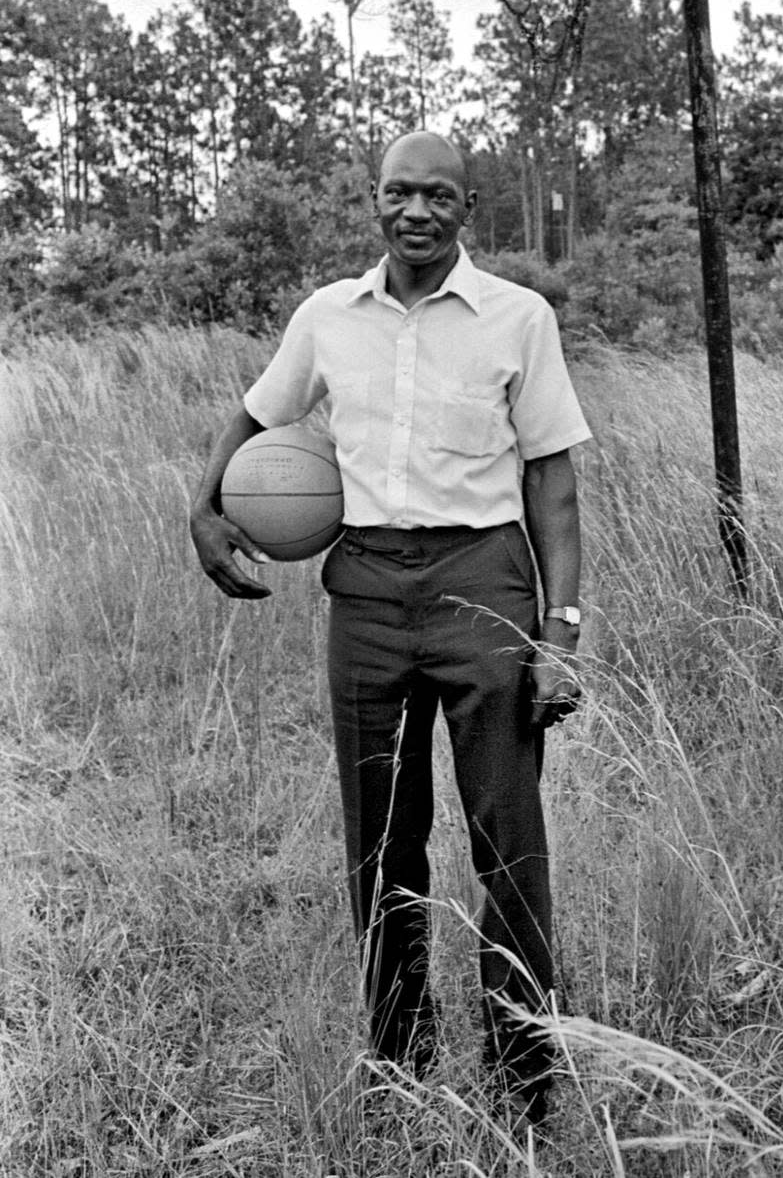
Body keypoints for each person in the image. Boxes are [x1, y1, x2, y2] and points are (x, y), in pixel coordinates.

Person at [189, 131, 591, 1126]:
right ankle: (399, 1064)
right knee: (380, 842)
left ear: (466, 209)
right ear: (376, 202)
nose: (417, 211)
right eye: (399, 193)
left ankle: (523, 1080)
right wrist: (205, 510)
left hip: (483, 582)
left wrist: (561, 633)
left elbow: (552, 478)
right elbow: (254, 417)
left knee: (509, 842)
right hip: (364, 587)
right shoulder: (329, 316)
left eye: (439, 196)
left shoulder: (517, 317)